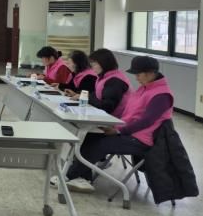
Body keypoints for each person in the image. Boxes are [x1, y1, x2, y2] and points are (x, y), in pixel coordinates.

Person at [61, 56, 173, 193]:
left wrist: (119, 131)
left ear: (150, 73)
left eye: (138, 74)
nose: (136, 78)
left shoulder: (161, 95)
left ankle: (69, 175)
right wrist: (115, 127)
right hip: (128, 132)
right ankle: (82, 178)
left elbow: (146, 121)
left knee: (100, 144)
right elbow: (131, 115)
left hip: (141, 141)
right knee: (90, 136)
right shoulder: (145, 88)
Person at [71, 48, 132, 117]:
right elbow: (97, 95)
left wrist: (87, 98)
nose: (92, 68)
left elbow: (106, 107)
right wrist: (82, 96)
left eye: (94, 65)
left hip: (117, 119)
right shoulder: (105, 77)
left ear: (104, 64)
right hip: (106, 116)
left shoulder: (115, 81)